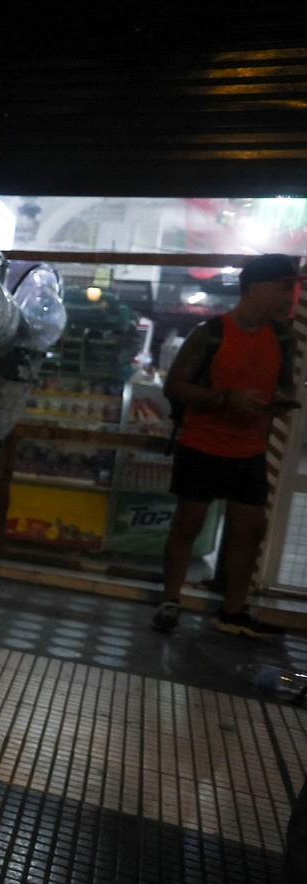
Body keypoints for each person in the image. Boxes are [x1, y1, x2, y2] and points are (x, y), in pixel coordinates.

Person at [152, 253, 301, 637]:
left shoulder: (282, 336)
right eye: (285, 287)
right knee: (189, 524)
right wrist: (226, 398)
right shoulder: (210, 333)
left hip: (249, 448)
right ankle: (171, 600)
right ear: (256, 289)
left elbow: (284, 383)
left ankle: (233, 611)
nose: (291, 295)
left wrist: (281, 401)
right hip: (201, 444)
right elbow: (175, 386)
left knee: (250, 529)